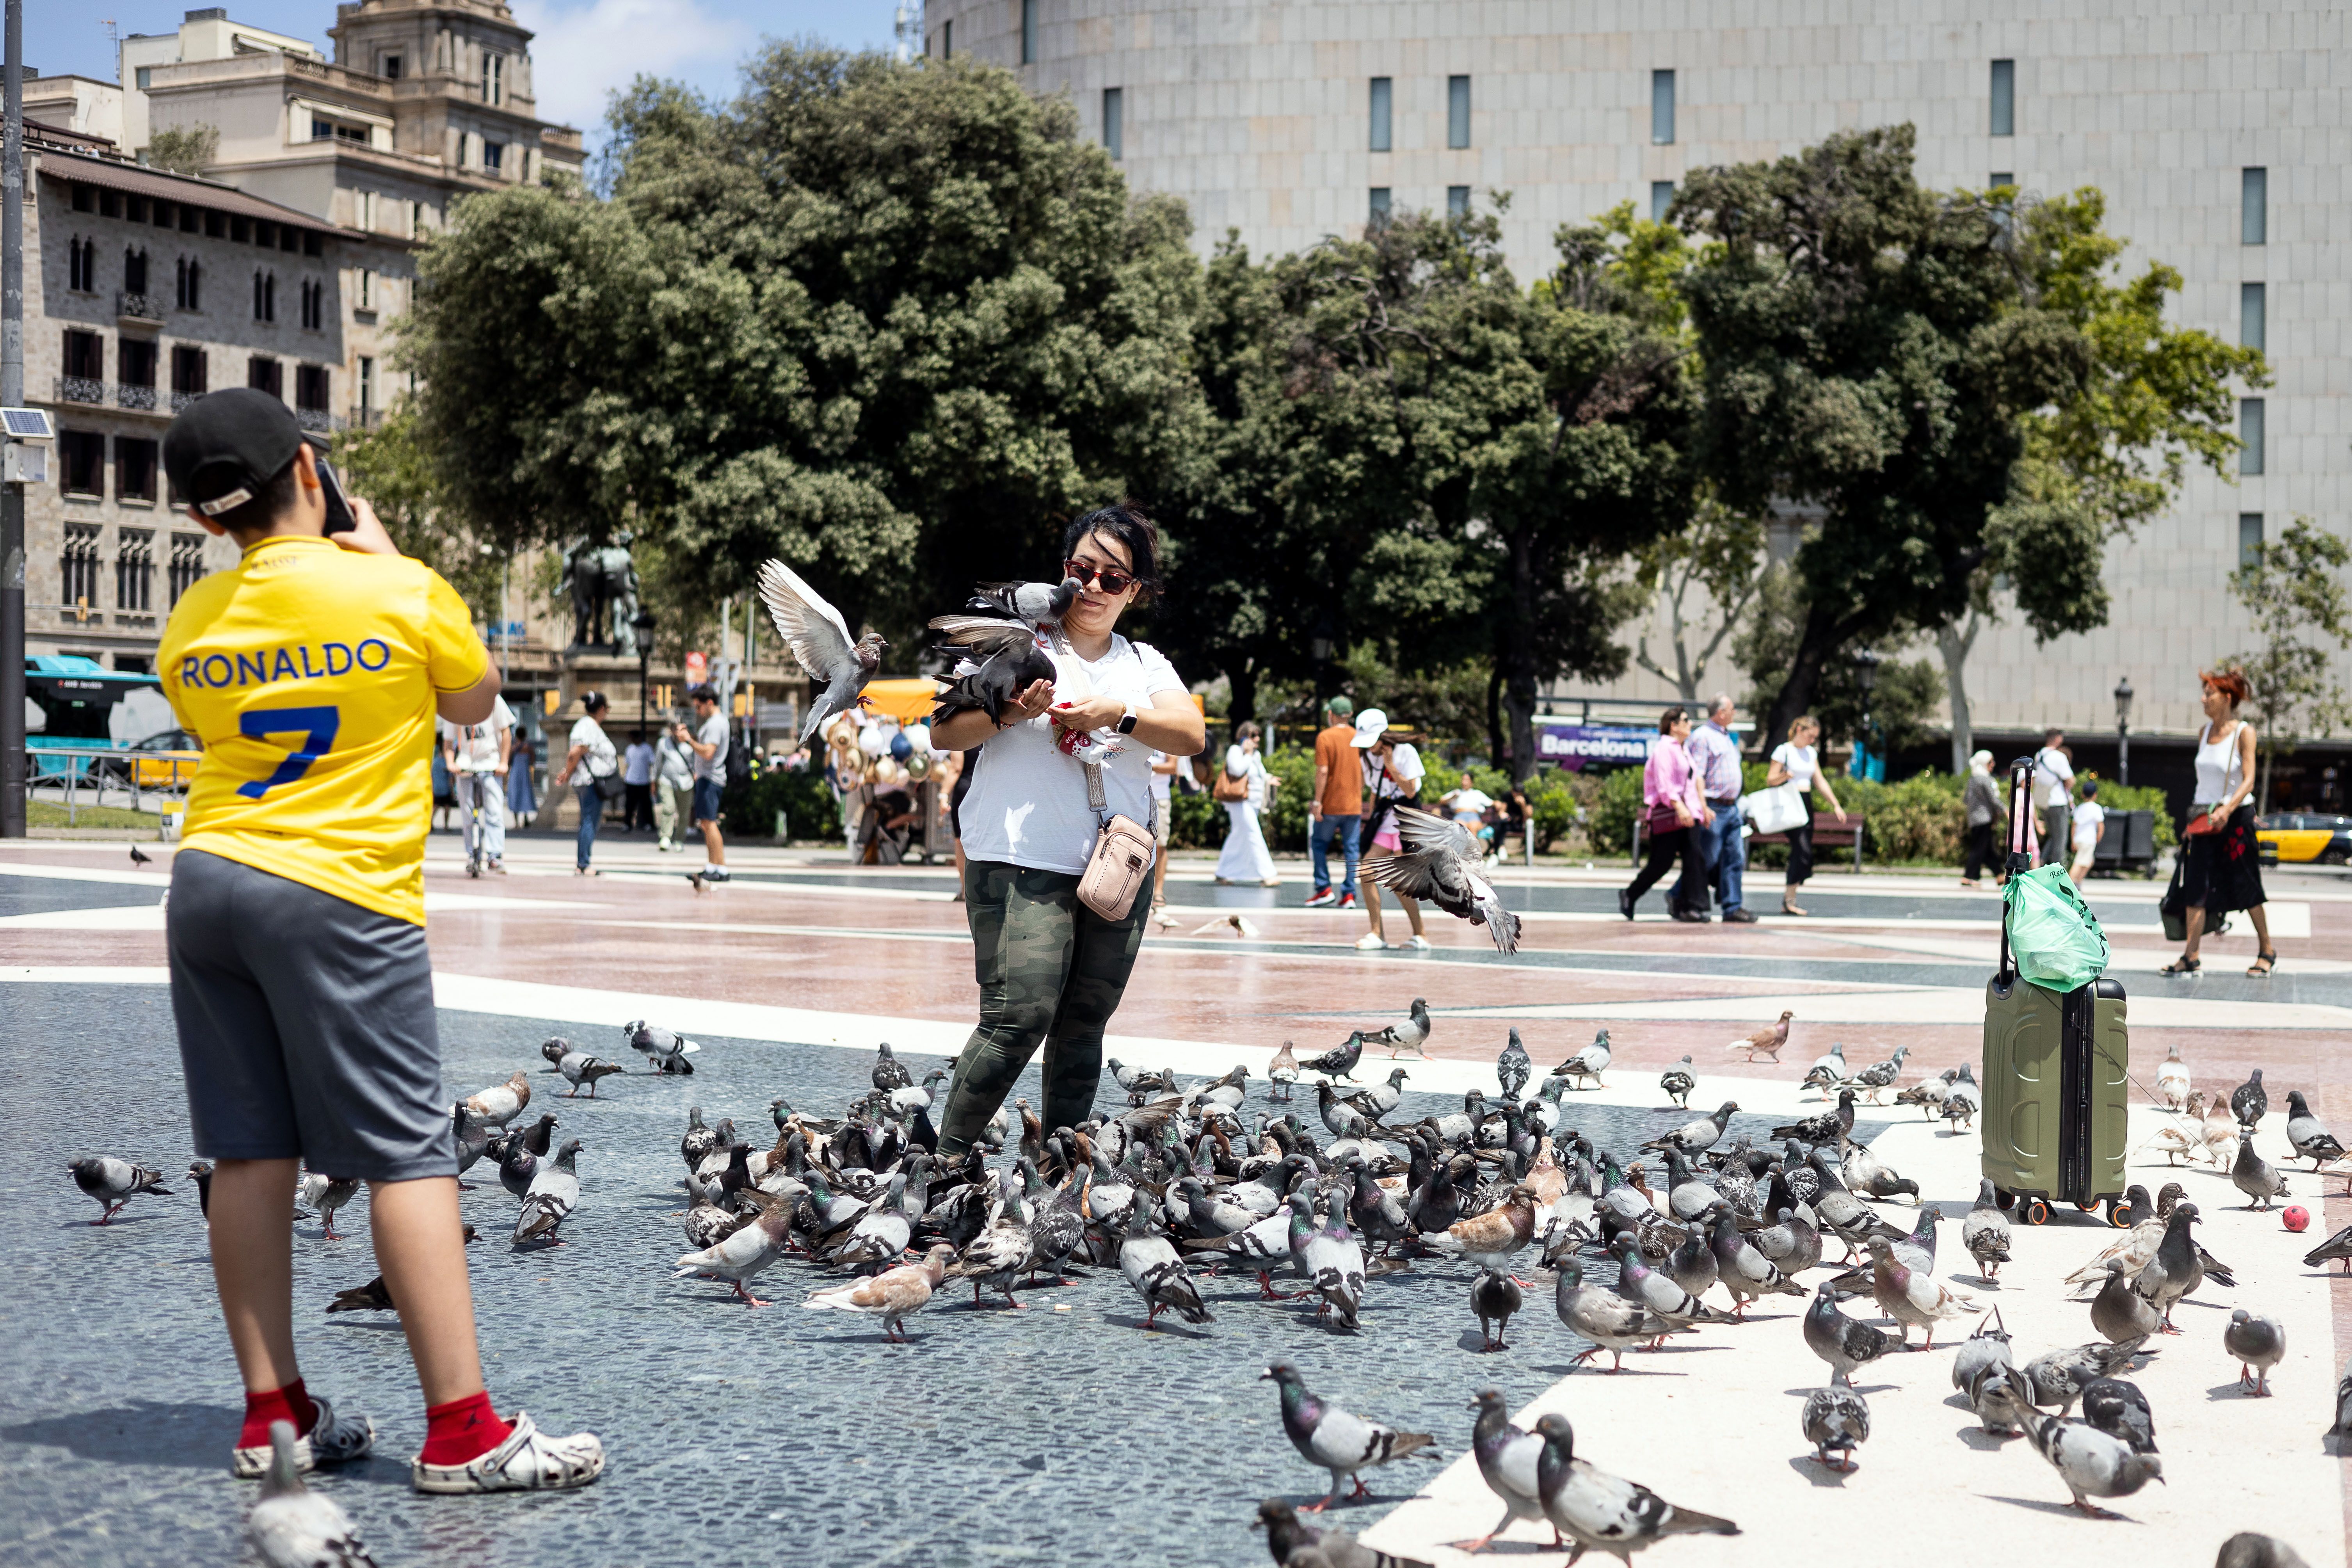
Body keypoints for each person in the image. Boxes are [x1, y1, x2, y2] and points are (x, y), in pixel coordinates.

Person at [153, 388, 603, 1494]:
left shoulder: (191, 624)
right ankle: (463, 1433)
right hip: (339, 893)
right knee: (408, 1150)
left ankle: (275, 1417)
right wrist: (389, 558)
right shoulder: (399, 590)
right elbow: (473, 701)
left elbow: (223, 724)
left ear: (209, 520)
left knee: (252, 1151)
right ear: (312, 470)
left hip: (209, 884)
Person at [926, 502, 1205, 1157]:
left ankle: (1060, 1171)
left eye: (1115, 578)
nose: (1095, 589)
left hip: (1113, 868)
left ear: (1134, 590)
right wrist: (1008, 713)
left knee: (1083, 1025)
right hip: (1019, 860)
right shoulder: (1018, 640)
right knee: (1017, 1017)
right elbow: (943, 732)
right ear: (1064, 572)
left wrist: (1122, 714)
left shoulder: (1144, 663)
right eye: (1085, 571)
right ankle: (937, 1165)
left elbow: (1190, 733)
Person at [2164, 668, 2275, 976]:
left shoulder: (2244, 732)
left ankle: (2267, 949)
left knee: (2246, 883)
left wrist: (2227, 809)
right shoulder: (2203, 733)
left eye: (2209, 693)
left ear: (2227, 698)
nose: (2203, 699)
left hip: (2235, 818)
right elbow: (2203, 785)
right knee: (2195, 886)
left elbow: (2249, 780)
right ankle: (2191, 955)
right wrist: (2192, 823)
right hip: (2203, 819)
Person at [1621, 706, 1712, 921]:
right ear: (1674, 726)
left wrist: (1701, 808)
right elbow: (1664, 784)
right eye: (1686, 720)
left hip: (1689, 814)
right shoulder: (1664, 748)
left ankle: (1691, 907)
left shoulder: (1684, 749)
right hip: (1671, 814)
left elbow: (1692, 782)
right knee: (1661, 864)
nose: (1691, 724)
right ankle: (1630, 894)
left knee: (1695, 859)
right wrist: (1679, 807)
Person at [1354, 709, 1429, 950]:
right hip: (1386, 821)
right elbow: (1375, 791)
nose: (1370, 747)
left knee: (1400, 882)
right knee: (1366, 871)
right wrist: (1372, 821)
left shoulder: (1406, 752)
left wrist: (1391, 766)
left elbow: (1411, 792)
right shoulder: (1366, 757)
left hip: (1407, 822)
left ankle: (1420, 935)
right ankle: (1377, 933)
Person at [1683, 693, 1755, 922]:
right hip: (1713, 807)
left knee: (1735, 858)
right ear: (1721, 713)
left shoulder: (1726, 737)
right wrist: (1703, 806)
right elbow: (1697, 775)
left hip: (1732, 809)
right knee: (1707, 859)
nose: (1735, 714)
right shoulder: (1703, 737)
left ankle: (1732, 907)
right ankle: (1680, 897)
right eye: (1732, 709)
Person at [1767, 714, 1845, 916]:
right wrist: (1785, 775)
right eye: (1810, 736)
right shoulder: (1784, 750)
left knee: (1802, 853)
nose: (1813, 741)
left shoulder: (1810, 753)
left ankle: (1789, 899)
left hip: (1806, 801)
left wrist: (1835, 804)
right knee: (1802, 851)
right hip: (1790, 803)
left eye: (1815, 738)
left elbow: (1819, 780)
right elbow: (1771, 780)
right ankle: (1789, 899)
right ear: (1800, 730)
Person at [441, 691, 514, 873]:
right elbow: (448, 742)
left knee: (494, 811)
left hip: (490, 761)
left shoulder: (492, 699)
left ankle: (495, 855)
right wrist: (451, 763)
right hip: (465, 762)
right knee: (467, 813)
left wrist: (504, 762)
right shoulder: (455, 705)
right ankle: (471, 854)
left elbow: (506, 731)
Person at [551, 692, 617, 876]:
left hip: (588, 781)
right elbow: (575, 753)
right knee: (589, 821)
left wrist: (567, 772)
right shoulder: (587, 726)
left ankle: (583, 861)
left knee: (589, 821)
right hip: (590, 782)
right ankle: (584, 863)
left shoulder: (586, 725)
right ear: (602, 709)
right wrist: (568, 771)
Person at [1306, 696, 1362, 909]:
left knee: (1319, 844)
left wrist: (1317, 802)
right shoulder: (1359, 737)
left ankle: (1323, 889)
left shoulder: (1325, 737)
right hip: (1354, 804)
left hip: (1331, 803)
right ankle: (1349, 895)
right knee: (1351, 849)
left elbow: (1322, 771)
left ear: (1331, 715)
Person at [676, 684, 731, 885]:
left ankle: (721, 867)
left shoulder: (717, 723)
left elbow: (708, 752)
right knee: (707, 824)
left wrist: (689, 740)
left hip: (711, 778)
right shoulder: (715, 723)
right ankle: (712, 866)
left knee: (709, 823)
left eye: (699, 707)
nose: (697, 711)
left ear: (709, 703)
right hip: (708, 778)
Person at [1214, 721, 1281, 886]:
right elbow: (1236, 770)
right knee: (1253, 834)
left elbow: (1260, 775)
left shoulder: (1256, 755)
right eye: (1253, 736)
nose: (1257, 739)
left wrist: (1270, 779)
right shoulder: (1236, 751)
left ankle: (1222, 872)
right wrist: (1248, 754)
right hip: (1240, 802)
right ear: (1243, 737)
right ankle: (1268, 874)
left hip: (1254, 803)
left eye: (1258, 736)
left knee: (1238, 836)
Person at [1960, 748, 2003, 887]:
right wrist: (2006, 811)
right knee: (1980, 848)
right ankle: (1969, 876)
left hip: (1974, 819)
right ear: (1984, 763)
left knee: (1985, 848)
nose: (1993, 764)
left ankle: (1998, 874)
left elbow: (1966, 799)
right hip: (1984, 818)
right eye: (1991, 762)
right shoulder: (1985, 779)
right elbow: (1993, 799)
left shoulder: (1973, 779)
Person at [2033, 727, 2075, 870]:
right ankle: (2058, 872)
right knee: (2061, 840)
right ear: (2058, 739)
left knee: (2053, 837)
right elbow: (2070, 780)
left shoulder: (2039, 755)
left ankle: (2040, 865)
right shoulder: (2059, 756)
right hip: (2058, 802)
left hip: (2044, 802)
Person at [652, 718, 694, 852]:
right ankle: (665, 837)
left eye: (682, 729)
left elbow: (698, 762)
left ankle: (680, 839)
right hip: (667, 780)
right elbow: (657, 763)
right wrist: (654, 781)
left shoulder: (691, 744)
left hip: (686, 782)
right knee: (668, 808)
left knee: (684, 813)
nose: (678, 732)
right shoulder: (663, 743)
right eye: (675, 729)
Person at [1148, 747, 1180, 916]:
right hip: (1137, 795)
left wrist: (1146, 765)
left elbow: (1173, 766)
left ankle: (1158, 891)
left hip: (1160, 797)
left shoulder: (1164, 737)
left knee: (1161, 845)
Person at [2069, 777, 2106, 887]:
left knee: (2089, 861)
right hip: (2089, 840)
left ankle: (2078, 882)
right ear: (2095, 795)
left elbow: (2074, 825)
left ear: (2082, 795)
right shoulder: (2097, 808)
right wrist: (2098, 838)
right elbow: (2101, 826)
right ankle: (2070, 884)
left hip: (2079, 839)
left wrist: (2073, 841)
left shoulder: (2080, 808)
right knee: (2079, 863)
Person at [620, 729, 655, 834]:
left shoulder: (647, 749)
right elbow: (627, 764)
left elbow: (652, 765)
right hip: (631, 780)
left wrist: (653, 781)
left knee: (646, 804)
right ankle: (628, 824)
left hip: (644, 781)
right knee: (629, 805)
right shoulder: (630, 749)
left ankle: (649, 824)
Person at [505, 730, 537, 827]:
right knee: (525, 794)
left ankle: (517, 822)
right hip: (525, 774)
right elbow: (532, 761)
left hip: (515, 774)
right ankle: (526, 818)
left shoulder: (514, 748)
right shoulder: (529, 748)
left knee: (515, 795)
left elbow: (509, 762)